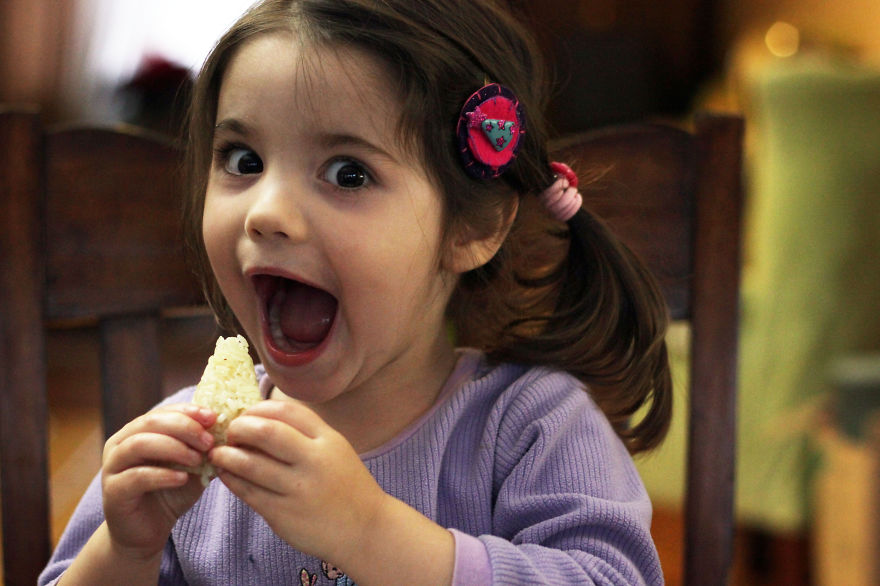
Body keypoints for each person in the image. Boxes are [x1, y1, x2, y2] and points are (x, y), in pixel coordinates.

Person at [40, 0, 673, 584]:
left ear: (473, 228)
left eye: (348, 173)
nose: (267, 211)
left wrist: (371, 532)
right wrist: (124, 552)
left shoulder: (532, 428)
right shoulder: (182, 451)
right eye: (242, 160)